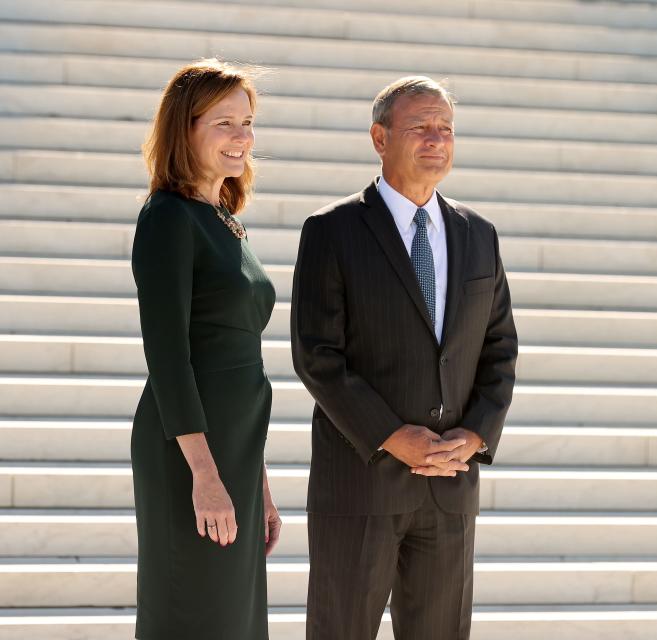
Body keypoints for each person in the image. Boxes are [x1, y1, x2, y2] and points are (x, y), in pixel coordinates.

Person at [291, 75, 519, 640]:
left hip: (449, 485)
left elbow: (499, 347)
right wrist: (393, 435)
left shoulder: (479, 235)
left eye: (446, 129)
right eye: (420, 127)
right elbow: (317, 356)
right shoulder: (332, 230)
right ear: (379, 136)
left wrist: (475, 435)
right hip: (360, 484)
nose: (436, 139)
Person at [130, 58, 281, 639]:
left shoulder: (224, 221)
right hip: (189, 453)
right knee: (194, 612)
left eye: (247, 122)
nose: (242, 137)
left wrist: (257, 482)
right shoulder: (168, 219)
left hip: (235, 451)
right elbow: (169, 357)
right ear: (184, 130)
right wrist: (205, 474)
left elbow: (240, 362)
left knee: (235, 618)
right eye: (224, 123)